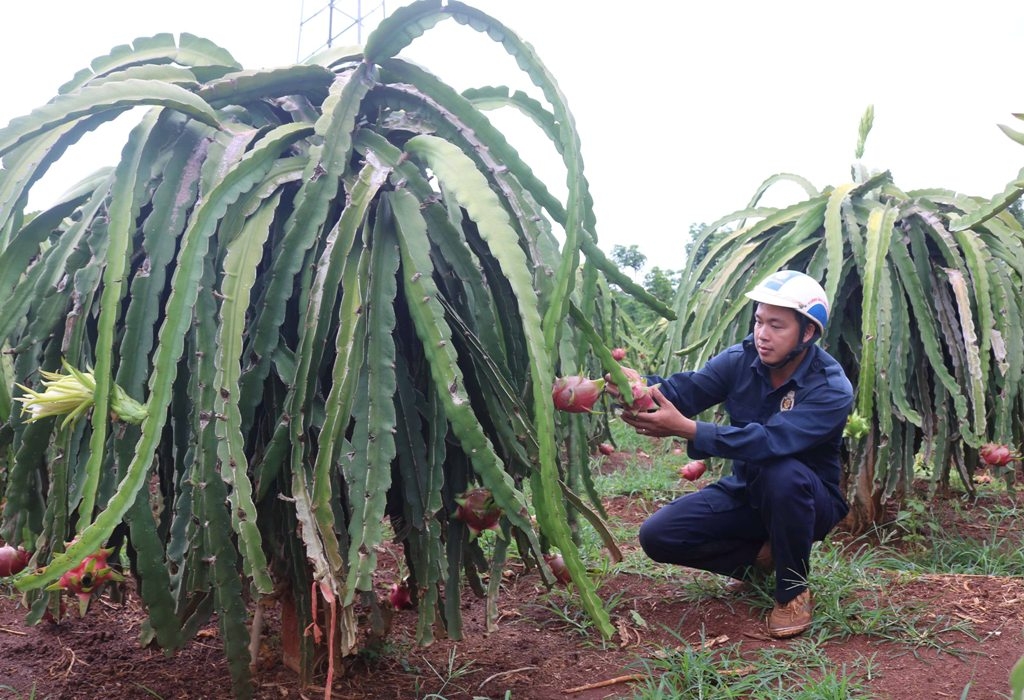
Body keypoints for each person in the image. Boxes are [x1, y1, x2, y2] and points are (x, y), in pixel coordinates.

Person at [606, 270, 853, 638]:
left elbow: (770, 442)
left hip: (808, 501)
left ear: (808, 333)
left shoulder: (831, 388)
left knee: (780, 470)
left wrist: (688, 429)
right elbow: (686, 391)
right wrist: (637, 387)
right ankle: (761, 560)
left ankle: (793, 590)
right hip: (748, 490)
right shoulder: (741, 359)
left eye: (777, 325)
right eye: (759, 320)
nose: (763, 334)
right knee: (659, 535)